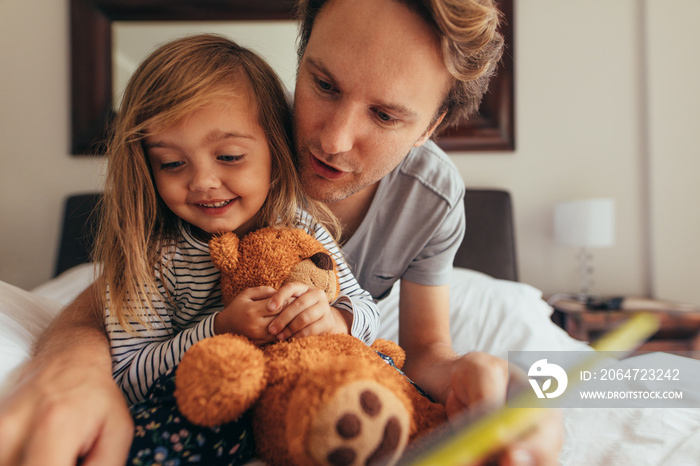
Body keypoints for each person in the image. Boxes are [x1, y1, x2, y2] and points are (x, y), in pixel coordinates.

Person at [0, 1, 562, 465]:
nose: (334, 141)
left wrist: (490, 378)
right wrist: (70, 365)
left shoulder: (428, 199)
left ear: (432, 126)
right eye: (322, 83)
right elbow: (115, 296)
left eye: (386, 116)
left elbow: (424, 349)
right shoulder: (236, 131)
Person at [98, 34, 380, 464]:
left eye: (229, 156)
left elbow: (367, 310)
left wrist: (333, 318)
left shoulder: (299, 225)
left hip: (299, 392)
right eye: (172, 163)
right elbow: (131, 378)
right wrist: (218, 329)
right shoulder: (152, 257)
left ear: (274, 147)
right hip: (209, 411)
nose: (202, 182)